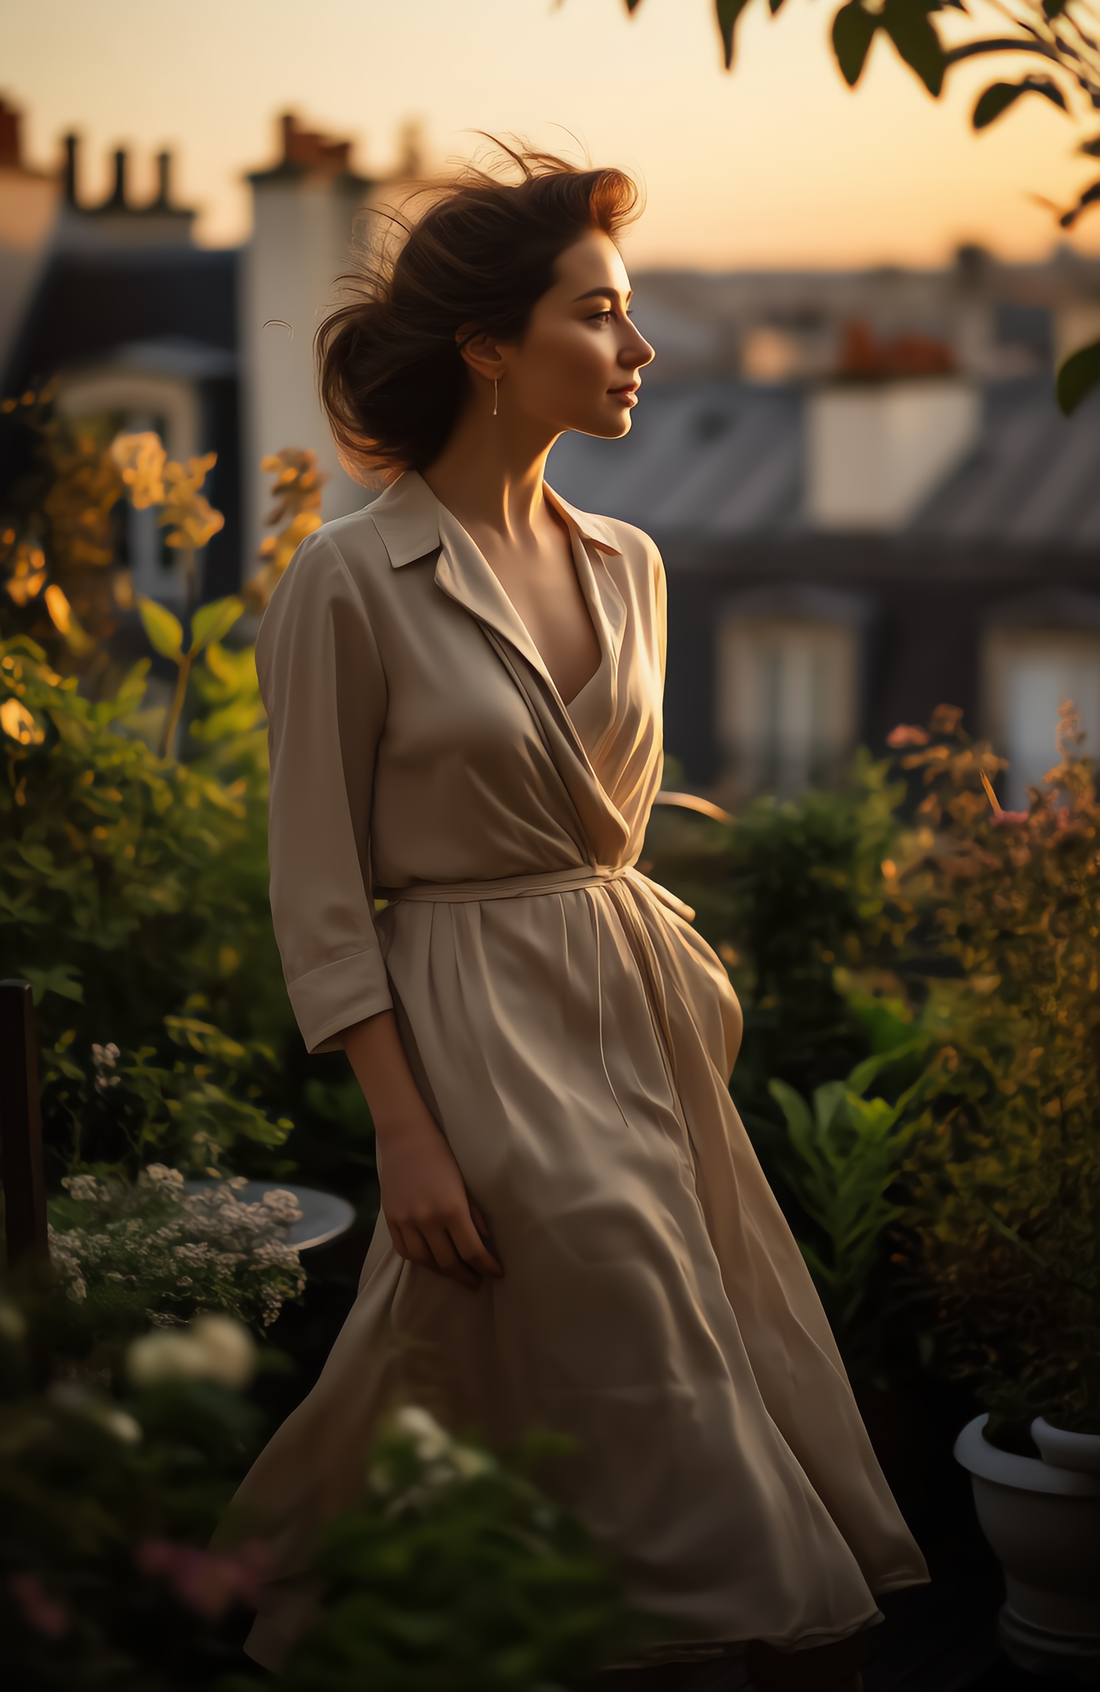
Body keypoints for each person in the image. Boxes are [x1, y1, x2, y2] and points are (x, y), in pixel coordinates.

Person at [230, 151, 928, 1687]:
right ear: (491, 346)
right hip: (471, 1018)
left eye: (632, 315)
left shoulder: (635, 565)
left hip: (641, 1019)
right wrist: (402, 1129)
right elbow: (316, 883)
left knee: (562, 1360)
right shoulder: (349, 582)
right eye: (599, 314)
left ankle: (452, 1618)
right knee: (629, 1333)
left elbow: (607, 826)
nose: (639, 349)